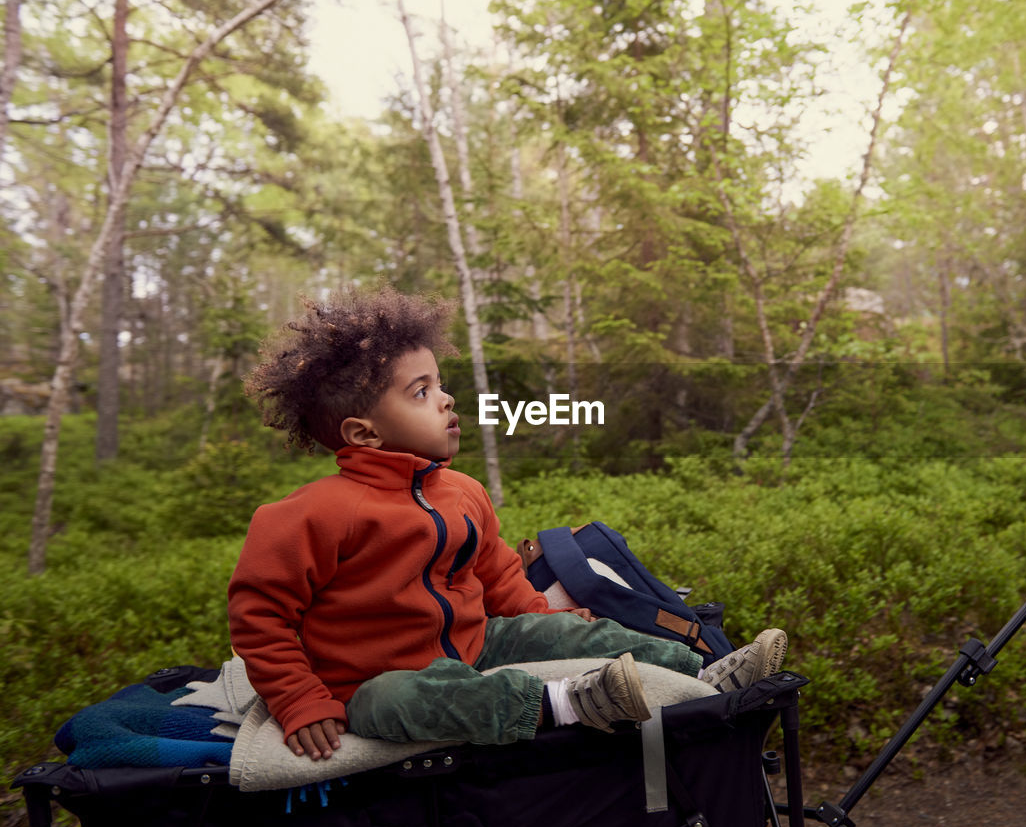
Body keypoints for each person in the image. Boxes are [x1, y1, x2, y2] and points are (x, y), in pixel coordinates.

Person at [228, 286, 787, 762]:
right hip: (371, 682)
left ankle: (707, 672)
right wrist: (300, 699)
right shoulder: (308, 515)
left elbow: (495, 571)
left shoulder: (461, 491)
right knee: (399, 701)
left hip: (477, 642)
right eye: (420, 392)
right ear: (364, 433)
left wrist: (544, 620)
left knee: (577, 630)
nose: (446, 399)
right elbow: (260, 617)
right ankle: (567, 705)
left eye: (439, 383)